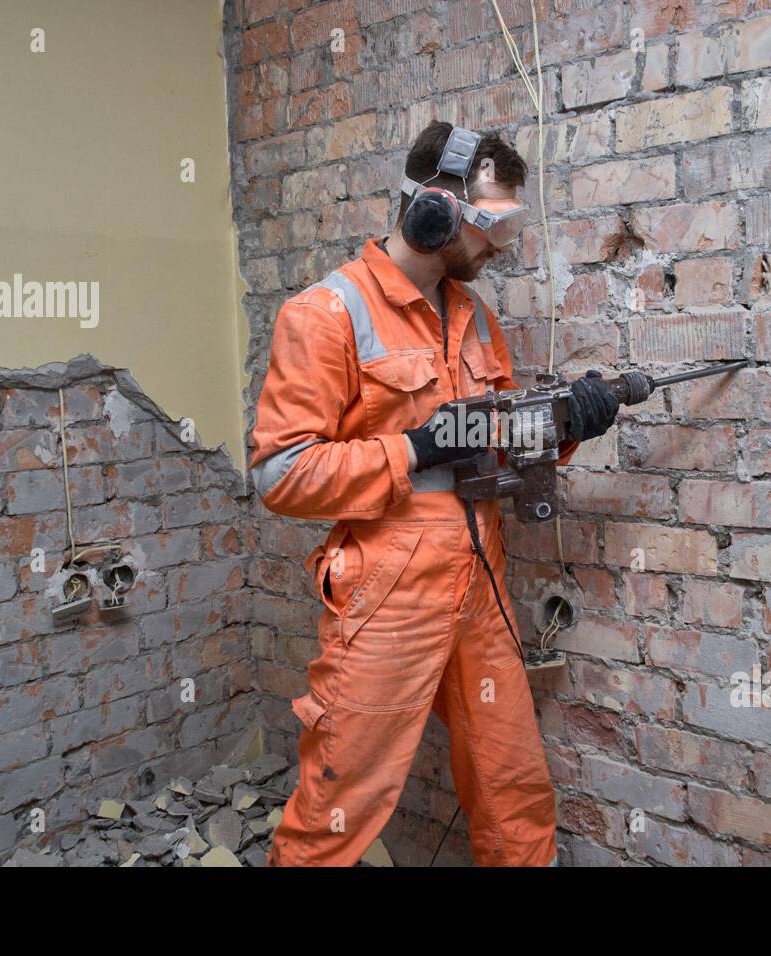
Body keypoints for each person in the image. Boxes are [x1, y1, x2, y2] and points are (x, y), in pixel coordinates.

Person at [250, 121, 620, 867]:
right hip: (387, 597)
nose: (500, 246)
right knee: (335, 812)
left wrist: (567, 423)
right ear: (435, 210)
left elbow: (502, 432)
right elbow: (281, 476)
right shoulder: (326, 314)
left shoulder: (474, 315)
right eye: (491, 224)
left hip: (479, 586)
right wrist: (415, 448)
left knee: (512, 785)